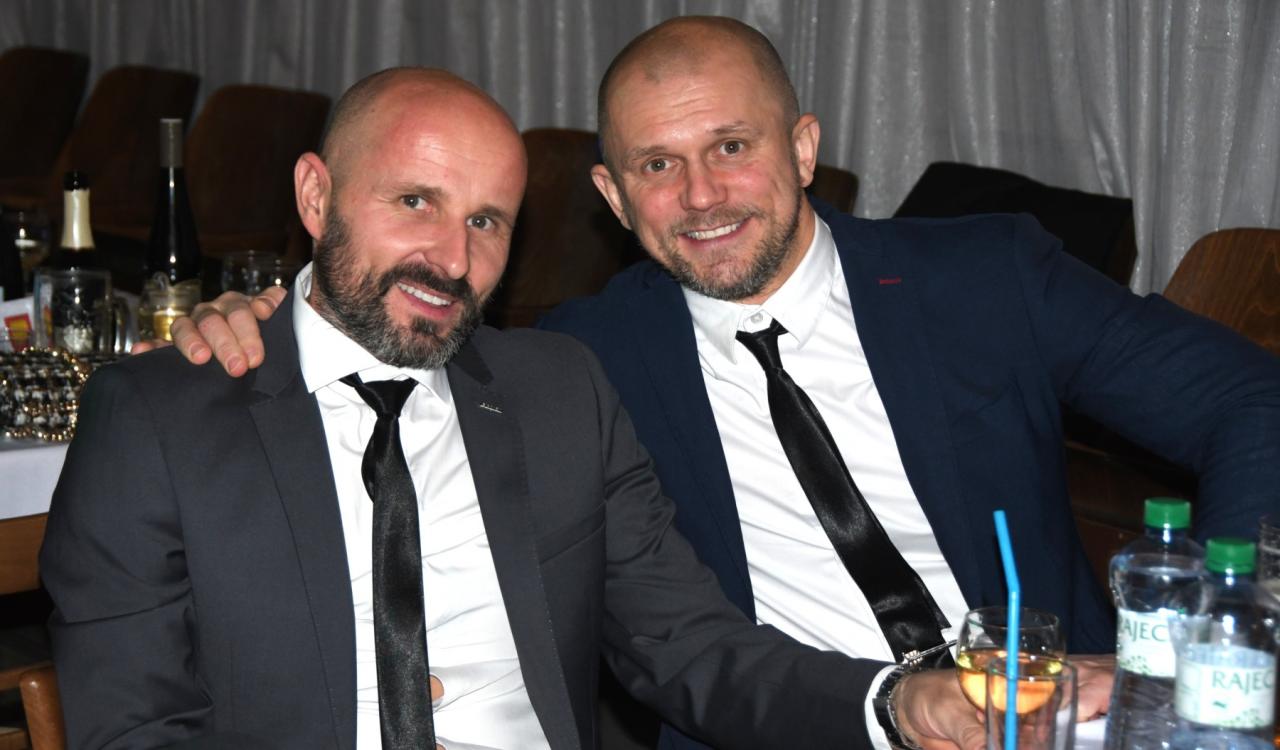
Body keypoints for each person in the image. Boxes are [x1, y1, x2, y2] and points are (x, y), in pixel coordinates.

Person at [45, 67, 995, 750]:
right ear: (316, 194)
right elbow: (134, 729)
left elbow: (687, 646)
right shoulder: (160, 420)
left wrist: (898, 704)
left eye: (485, 220)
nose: (453, 260)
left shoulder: (559, 392)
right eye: (415, 202)